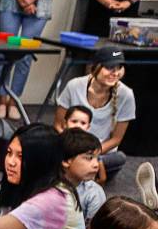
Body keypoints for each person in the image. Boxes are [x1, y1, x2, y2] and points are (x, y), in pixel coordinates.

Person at [54, 46, 136, 182]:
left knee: (119, 158)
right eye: (110, 67)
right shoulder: (74, 85)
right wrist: (73, 151)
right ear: (96, 67)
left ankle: (80, 170)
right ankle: (86, 172)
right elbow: (58, 125)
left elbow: (116, 139)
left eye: (119, 68)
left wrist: (90, 155)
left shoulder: (126, 95)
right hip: (70, 148)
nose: (115, 73)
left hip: (100, 152)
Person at [59, 128, 106, 221]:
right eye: (89, 158)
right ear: (66, 161)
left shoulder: (94, 194)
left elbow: (92, 228)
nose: (96, 165)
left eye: (97, 158)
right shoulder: (47, 184)